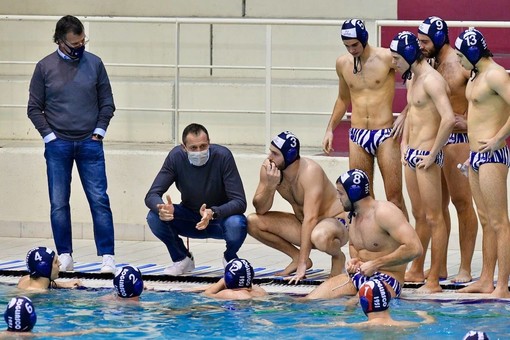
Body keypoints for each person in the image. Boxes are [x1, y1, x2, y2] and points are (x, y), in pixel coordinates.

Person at [26, 15, 116, 273]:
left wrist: (99, 132)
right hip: (58, 145)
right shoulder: (44, 67)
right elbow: (34, 108)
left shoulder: (95, 64)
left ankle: (107, 255)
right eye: (74, 44)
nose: (79, 48)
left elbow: (107, 102)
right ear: (59, 41)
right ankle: (65, 254)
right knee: (59, 202)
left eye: (83, 42)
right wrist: (50, 137)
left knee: (99, 199)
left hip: (90, 143)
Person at [408, 16, 479, 284]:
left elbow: (486, 99)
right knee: (437, 208)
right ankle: (439, 268)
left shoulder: (459, 63)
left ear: (439, 39)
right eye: (419, 41)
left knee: (462, 204)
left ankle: (466, 268)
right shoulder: (428, 65)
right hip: (434, 143)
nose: (421, 46)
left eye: (425, 42)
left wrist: (470, 122)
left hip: (459, 142)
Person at [322, 18, 408, 218]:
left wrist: (406, 113)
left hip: (386, 133)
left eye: (355, 45)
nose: (351, 50)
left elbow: (416, 77)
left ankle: (408, 245)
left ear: (364, 39)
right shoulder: (342, 64)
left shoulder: (387, 57)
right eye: (347, 46)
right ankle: (373, 246)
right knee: (360, 198)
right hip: (358, 135)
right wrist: (329, 129)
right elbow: (343, 99)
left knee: (394, 198)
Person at [390, 31, 455, 293]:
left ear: (407, 55)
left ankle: (434, 280)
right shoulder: (412, 79)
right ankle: (417, 268)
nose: (393, 63)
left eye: (396, 58)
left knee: (434, 217)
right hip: (412, 154)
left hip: (428, 155)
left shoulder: (432, 80)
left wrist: (433, 153)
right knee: (418, 216)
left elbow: (449, 119)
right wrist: (405, 144)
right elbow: (412, 115)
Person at [145, 123, 248, 275]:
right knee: (154, 216)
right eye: (193, 148)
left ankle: (230, 258)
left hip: (219, 220)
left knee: (238, 223)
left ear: (209, 143)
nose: (199, 151)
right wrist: (161, 208)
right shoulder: (176, 157)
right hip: (189, 219)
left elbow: (240, 202)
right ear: (183, 147)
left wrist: (213, 212)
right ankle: (181, 258)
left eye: (203, 146)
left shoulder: (223, 156)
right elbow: (151, 195)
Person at [247, 131, 349, 283]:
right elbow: (260, 209)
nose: (269, 157)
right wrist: (270, 186)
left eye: (275, 154)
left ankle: (337, 256)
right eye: (270, 152)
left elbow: (311, 217)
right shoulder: (269, 168)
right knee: (252, 222)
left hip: (335, 222)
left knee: (319, 236)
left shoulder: (310, 172)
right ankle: (296, 257)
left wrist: (302, 266)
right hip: (305, 224)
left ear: (289, 155)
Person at [305, 169, 422, 300]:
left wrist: (375, 264)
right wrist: (355, 262)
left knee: (354, 305)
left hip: (387, 279)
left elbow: (415, 248)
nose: (338, 198)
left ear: (354, 193)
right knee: (307, 300)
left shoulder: (385, 212)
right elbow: (354, 245)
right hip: (358, 276)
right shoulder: (351, 215)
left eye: (340, 194)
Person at [454, 28, 510, 298]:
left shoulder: (496, 75)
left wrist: (499, 138)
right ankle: (486, 280)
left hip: (493, 156)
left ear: (473, 53)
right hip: (476, 156)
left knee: (500, 223)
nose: (457, 59)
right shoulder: (476, 74)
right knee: (486, 221)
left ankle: (501, 286)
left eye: (460, 55)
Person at [309, 279, 434, 328]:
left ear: (363, 303)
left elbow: (323, 326)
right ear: (387, 299)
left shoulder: (358, 326)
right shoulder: (408, 325)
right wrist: (423, 314)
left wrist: (345, 314)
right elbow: (430, 322)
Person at [17, 247, 82, 290]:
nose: (60, 264)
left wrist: (65, 284)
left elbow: (42, 281)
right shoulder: (39, 296)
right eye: (56, 262)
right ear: (44, 268)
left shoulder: (24, 280)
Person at [201, 258, 267, 300]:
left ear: (228, 278)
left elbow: (207, 294)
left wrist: (222, 282)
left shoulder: (227, 294)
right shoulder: (261, 292)